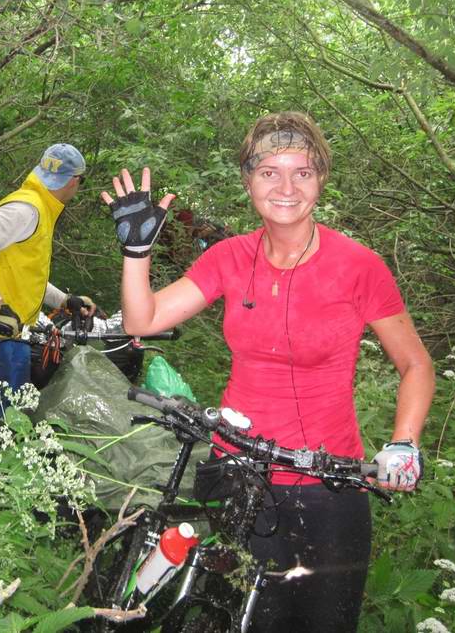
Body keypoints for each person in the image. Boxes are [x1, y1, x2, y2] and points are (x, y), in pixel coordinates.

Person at [101, 112, 434, 632]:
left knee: (322, 622)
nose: (285, 187)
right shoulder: (230, 258)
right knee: (236, 616)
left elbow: (415, 363)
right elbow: (142, 321)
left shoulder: (359, 266)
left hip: (331, 481)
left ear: (321, 179)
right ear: (248, 180)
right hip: (240, 474)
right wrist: (136, 251)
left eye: (301, 172)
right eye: (268, 172)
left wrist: (405, 443)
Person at [0, 143, 96, 440]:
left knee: (7, 421)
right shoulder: (26, 209)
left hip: (5, 334)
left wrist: (65, 301)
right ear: (73, 181)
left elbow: (23, 276)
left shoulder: (40, 209)